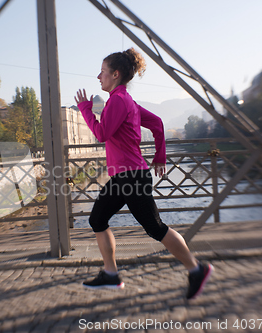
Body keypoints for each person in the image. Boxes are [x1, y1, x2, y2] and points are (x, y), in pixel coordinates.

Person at [74, 48, 213, 299]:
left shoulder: (118, 101)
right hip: (125, 176)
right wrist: (159, 155)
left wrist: (85, 109)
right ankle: (111, 274)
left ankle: (196, 269)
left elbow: (102, 134)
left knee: (155, 228)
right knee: (97, 220)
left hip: (131, 177)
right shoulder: (125, 101)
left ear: (115, 74)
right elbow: (158, 123)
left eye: (103, 72)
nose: (98, 77)